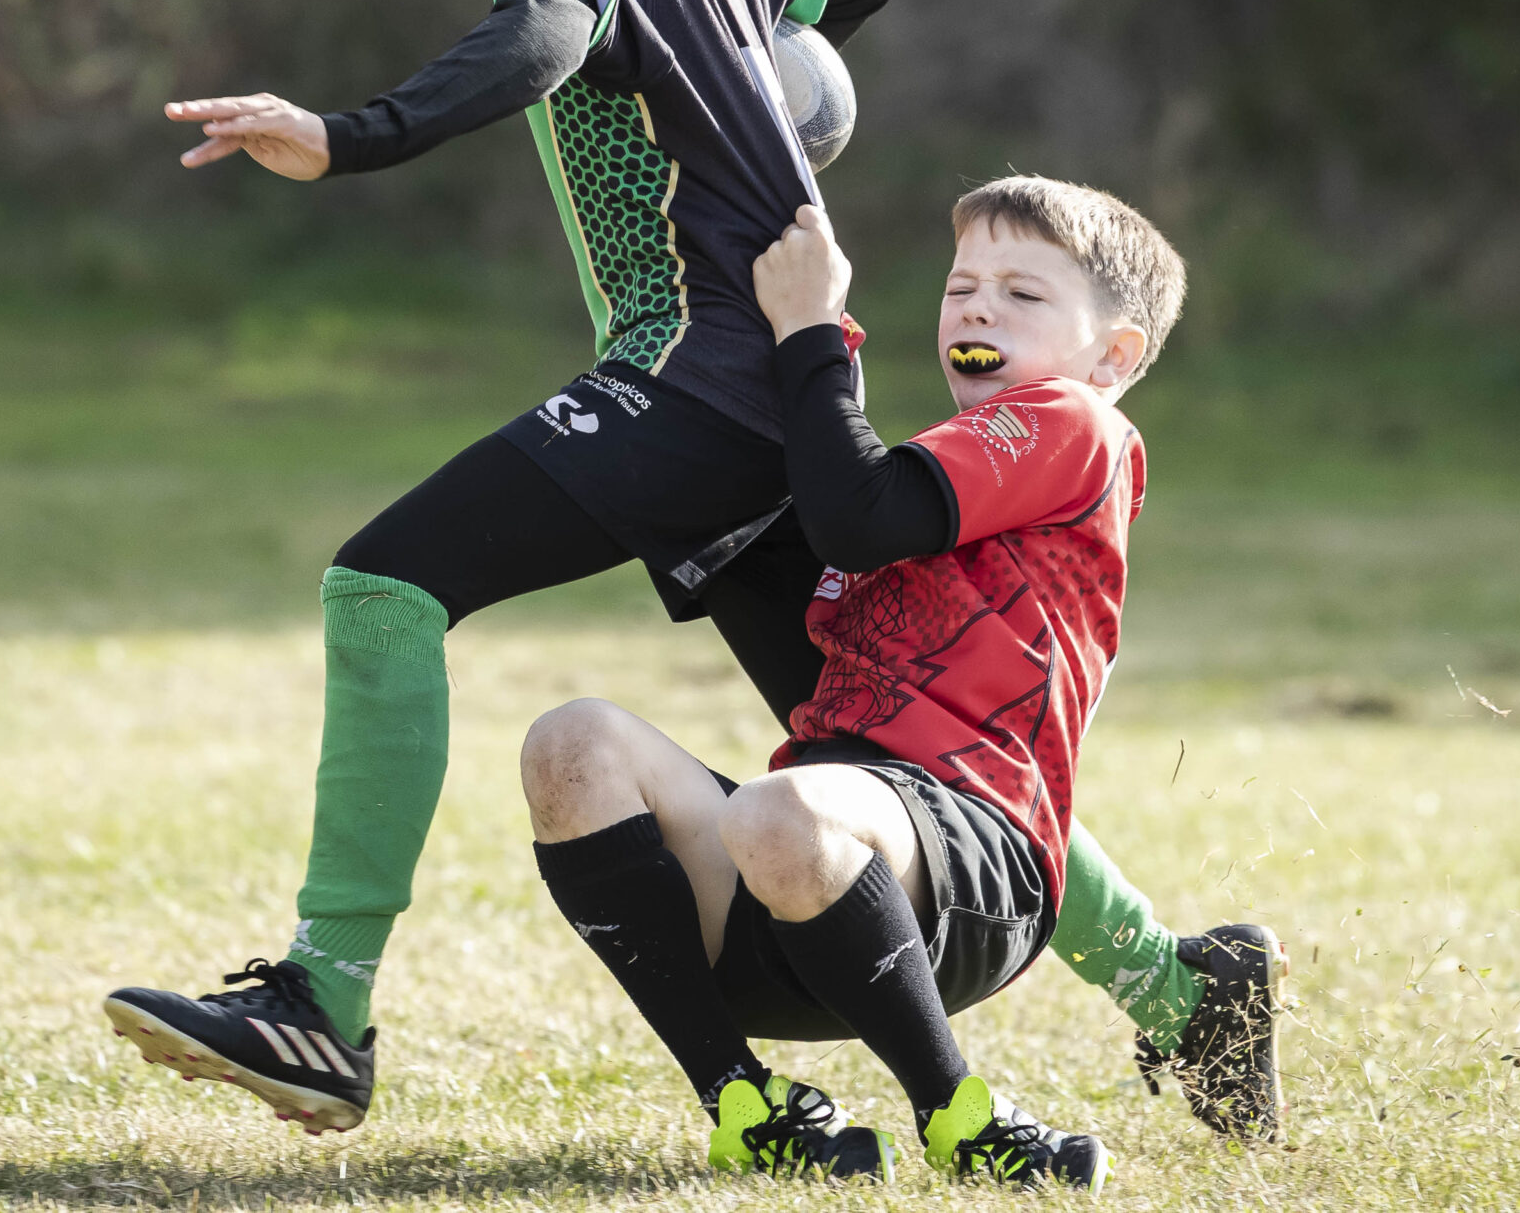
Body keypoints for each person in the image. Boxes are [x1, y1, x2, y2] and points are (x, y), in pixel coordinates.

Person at [101, 0, 1238, 1140]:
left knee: (383, 586)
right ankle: (1184, 990)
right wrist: (765, 47)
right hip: (777, 383)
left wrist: (345, 134)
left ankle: (323, 1002)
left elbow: (547, 34)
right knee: (875, 734)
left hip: (693, 375)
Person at [517, 178, 1285, 1184]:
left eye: (1023, 293)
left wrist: (809, 340)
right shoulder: (927, 471)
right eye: (962, 285)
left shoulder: (1075, 425)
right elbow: (801, 561)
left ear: (1115, 355)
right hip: (817, 901)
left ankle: (962, 1116)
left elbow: (856, 511)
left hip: (977, 874)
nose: (975, 307)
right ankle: (743, 1103)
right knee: (572, 745)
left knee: (778, 809)